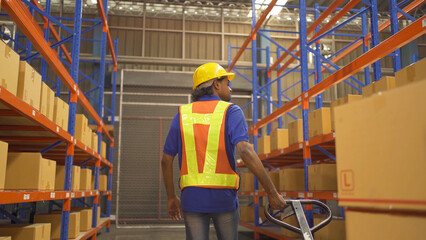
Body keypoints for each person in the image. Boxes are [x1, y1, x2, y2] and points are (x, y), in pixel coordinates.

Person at [161, 62, 286, 240]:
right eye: (227, 83)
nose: (231, 89)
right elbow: (246, 151)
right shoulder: (231, 112)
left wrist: (171, 197)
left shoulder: (182, 114)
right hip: (224, 199)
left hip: (192, 200)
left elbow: (166, 160)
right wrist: (272, 193)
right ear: (216, 84)